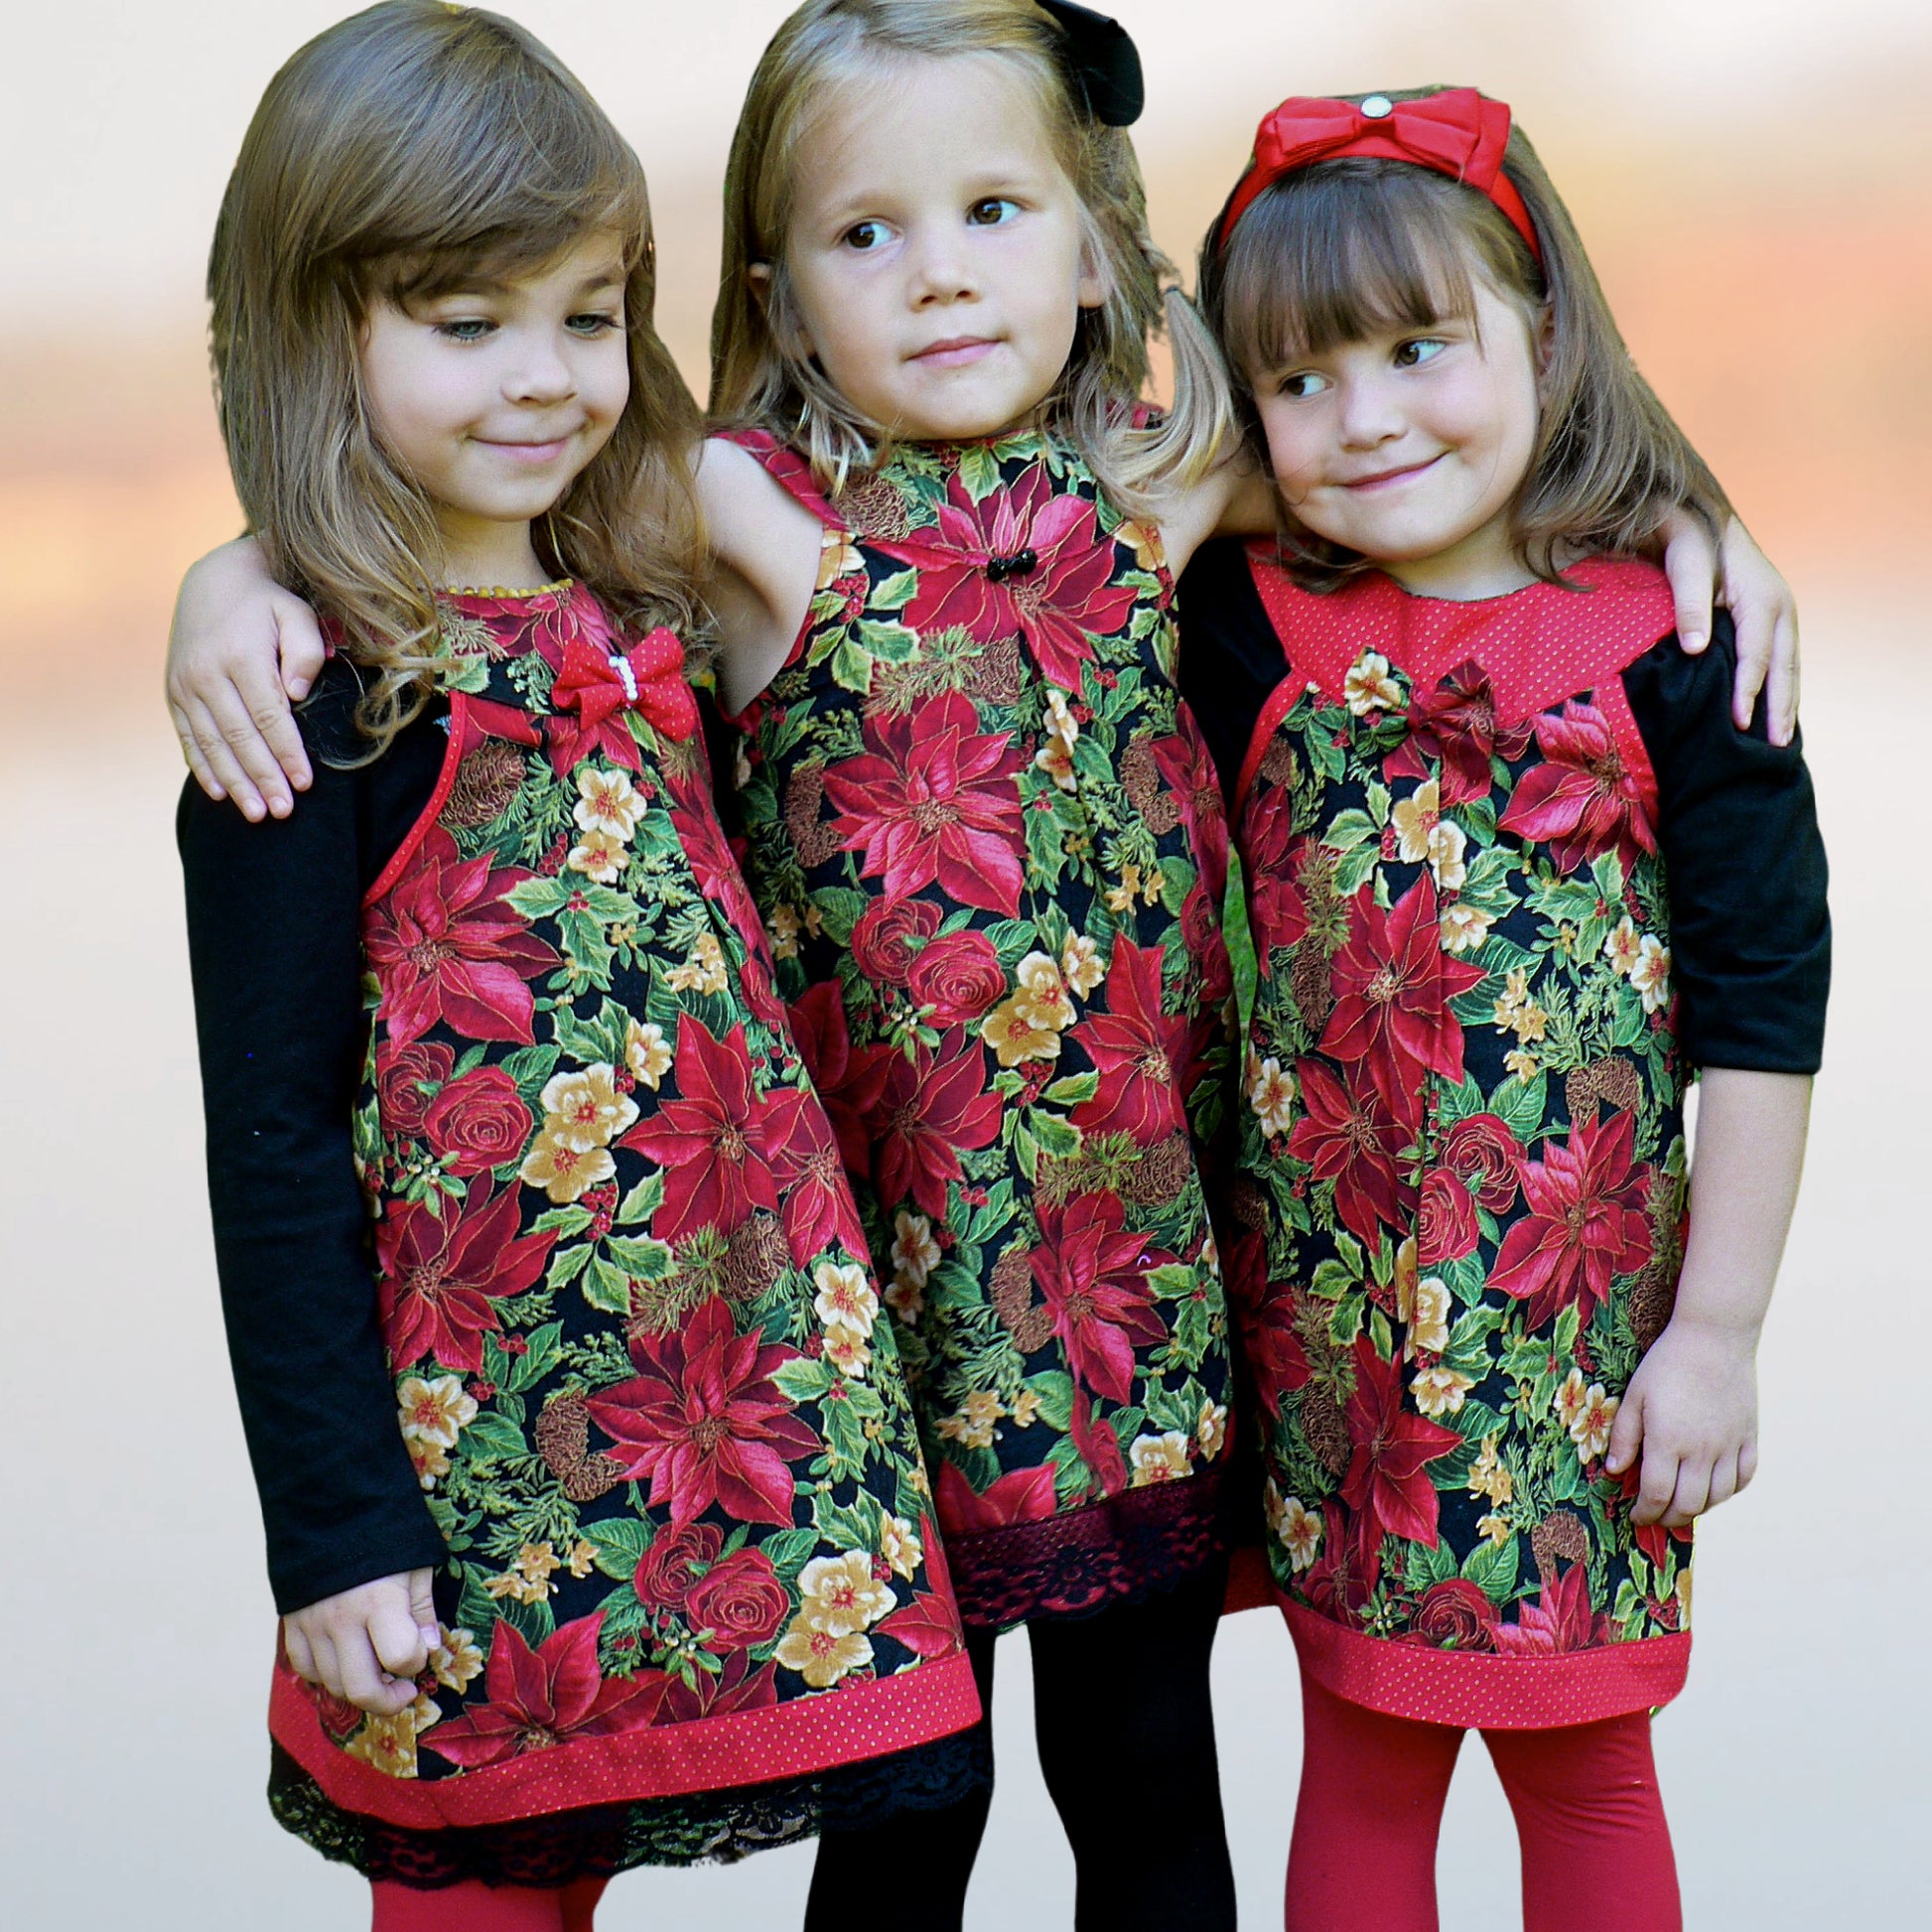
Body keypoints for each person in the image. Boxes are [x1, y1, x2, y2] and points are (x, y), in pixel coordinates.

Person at [163, 10, 1801, 1928]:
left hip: (1146, 1312)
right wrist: (243, 576)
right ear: (771, 287)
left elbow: (1447, 478)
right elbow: (461, 518)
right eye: (865, 236)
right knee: (905, 1829)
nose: (938, 270)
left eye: (996, 210)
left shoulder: (1171, 481)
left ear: (1094, 248)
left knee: (1144, 1782)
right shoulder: (739, 514)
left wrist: (1703, 524)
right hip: (874, 1321)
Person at [176, 9, 984, 1929]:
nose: (549, 377)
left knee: (918, 1787)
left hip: (769, 1386)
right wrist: (336, 1528)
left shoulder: (650, 585)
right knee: (491, 1877)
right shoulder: (307, 697)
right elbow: (269, 1137)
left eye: (590, 314)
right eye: (469, 324)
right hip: (478, 1450)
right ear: (316, 330)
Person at [1178, 85, 1828, 1932]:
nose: (1367, 417)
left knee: (1585, 1764)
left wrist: (1717, 1331)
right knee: (1356, 1756)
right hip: (1335, 1334)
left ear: (1540, 330)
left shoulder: (1685, 645)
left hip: (1579, 1351)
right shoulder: (1242, 626)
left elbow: (1766, 1013)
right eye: (1299, 380)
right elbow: (1085, 543)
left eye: (1416, 349)